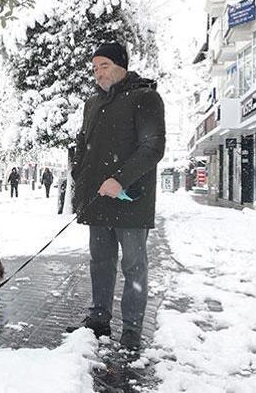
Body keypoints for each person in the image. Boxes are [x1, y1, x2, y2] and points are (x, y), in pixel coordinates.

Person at [65, 42, 166, 350]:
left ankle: (132, 330)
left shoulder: (146, 98)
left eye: (104, 66)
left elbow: (153, 148)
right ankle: (98, 320)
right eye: (94, 68)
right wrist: (80, 182)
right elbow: (84, 148)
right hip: (97, 200)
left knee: (134, 266)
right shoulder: (92, 103)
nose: (98, 73)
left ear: (122, 65)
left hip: (130, 200)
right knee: (100, 262)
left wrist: (119, 179)